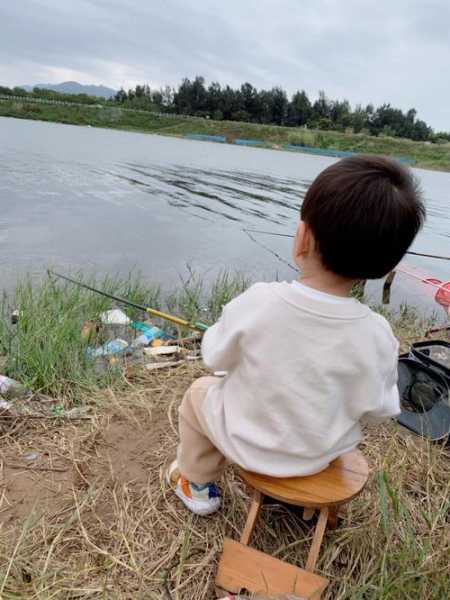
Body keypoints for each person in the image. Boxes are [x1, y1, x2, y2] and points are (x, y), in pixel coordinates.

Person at [167, 155, 426, 516]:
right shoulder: (377, 334)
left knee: (198, 394)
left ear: (303, 235)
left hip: (246, 444)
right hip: (318, 457)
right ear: (387, 266)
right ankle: (297, 505)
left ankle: (196, 484)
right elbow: (380, 410)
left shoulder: (260, 300)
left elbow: (213, 357)